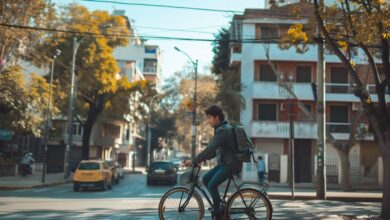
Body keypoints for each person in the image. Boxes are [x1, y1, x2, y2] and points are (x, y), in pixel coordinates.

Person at [182, 105, 242, 220]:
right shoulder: (221, 129)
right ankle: (219, 205)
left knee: (212, 185)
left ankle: (219, 215)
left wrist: (194, 161)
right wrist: (203, 158)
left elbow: (211, 148)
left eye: (209, 118)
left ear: (217, 118)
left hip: (230, 165)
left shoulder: (223, 130)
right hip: (225, 164)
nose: (208, 121)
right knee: (205, 179)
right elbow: (216, 151)